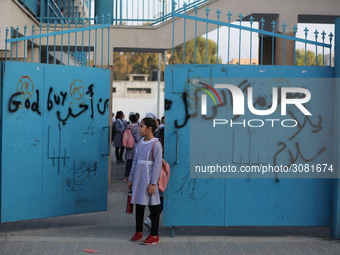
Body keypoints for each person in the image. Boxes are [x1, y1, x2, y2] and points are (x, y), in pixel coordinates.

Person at [128, 117, 163, 245]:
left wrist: (153, 183)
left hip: (149, 180)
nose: (139, 128)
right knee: (139, 204)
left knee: (153, 207)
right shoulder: (140, 143)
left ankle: (154, 235)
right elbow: (135, 162)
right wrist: (131, 178)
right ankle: (139, 231)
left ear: (149, 129)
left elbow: (157, 165)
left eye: (141, 126)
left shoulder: (156, 144)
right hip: (139, 178)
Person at [123, 112, 141, 182]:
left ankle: (125, 176)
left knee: (128, 163)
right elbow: (138, 138)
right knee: (135, 163)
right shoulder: (137, 127)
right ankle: (134, 177)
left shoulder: (127, 126)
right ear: (137, 119)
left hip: (128, 146)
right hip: (135, 146)